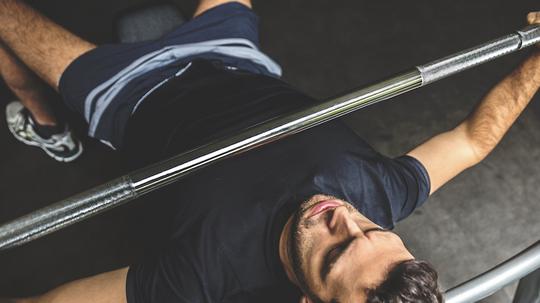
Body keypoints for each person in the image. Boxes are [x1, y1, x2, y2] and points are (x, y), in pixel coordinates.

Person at [0, 0, 539, 301]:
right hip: (233, 57)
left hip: (127, 92)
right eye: (374, 230)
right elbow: (473, 140)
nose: (343, 218)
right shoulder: (381, 193)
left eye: (334, 253)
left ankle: (45, 117)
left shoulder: (206, 274)